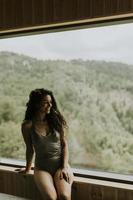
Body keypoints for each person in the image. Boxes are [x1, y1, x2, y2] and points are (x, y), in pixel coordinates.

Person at [19, 88, 74, 200]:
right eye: (45, 103)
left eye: (51, 102)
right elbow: (30, 149)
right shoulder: (27, 126)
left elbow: (64, 145)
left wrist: (64, 167)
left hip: (60, 166)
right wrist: (27, 169)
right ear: (36, 104)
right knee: (51, 198)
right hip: (42, 168)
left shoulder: (56, 120)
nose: (50, 105)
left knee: (64, 196)